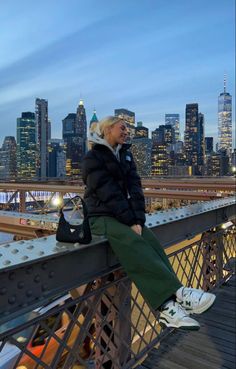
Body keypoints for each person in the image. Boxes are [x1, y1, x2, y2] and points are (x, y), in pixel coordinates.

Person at [82, 116, 216, 330]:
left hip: (120, 216)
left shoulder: (125, 155)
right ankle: (171, 301)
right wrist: (129, 221)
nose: (127, 131)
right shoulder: (93, 158)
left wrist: (138, 219)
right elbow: (109, 193)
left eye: (128, 128)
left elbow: (135, 189)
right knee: (132, 241)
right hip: (99, 217)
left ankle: (173, 303)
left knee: (149, 240)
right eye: (123, 127)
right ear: (108, 129)